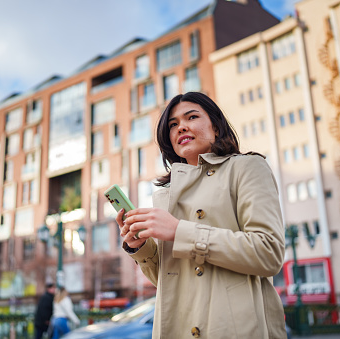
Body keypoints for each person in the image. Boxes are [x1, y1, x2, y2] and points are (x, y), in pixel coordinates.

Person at [116, 92, 287, 338]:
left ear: (216, 127)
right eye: (173, 124)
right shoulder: (165, 195)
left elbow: (268, 252)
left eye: (191, 117)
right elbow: (170, 282)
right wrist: (141, 247)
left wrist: (179, 231)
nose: (181, 127)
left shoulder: (246, 168)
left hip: (235, 328)